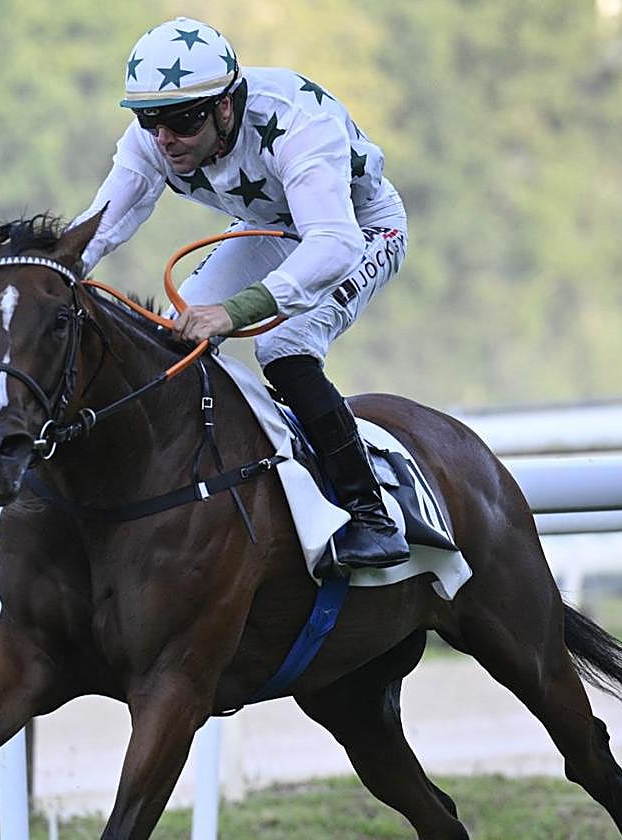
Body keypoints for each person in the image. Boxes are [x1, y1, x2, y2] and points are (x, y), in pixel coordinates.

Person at [72, 17, 411, 568]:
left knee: (282, 347)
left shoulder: (296, 122)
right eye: (148, 120)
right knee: (176, 334)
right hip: (270, 230)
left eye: (179, 122)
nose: (164, 139)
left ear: (224, 106)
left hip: (357, 229)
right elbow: (105, 220)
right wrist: (53, 271)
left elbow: (332, 244)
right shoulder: (156, 136)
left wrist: (234, 313)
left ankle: (369, 509)